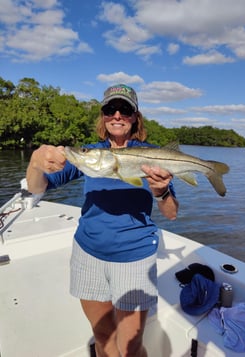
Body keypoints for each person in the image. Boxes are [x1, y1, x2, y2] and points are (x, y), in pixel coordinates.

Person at [26, 84, 179, 357]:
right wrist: (36, 164)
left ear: (135, 117)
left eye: (125, 109)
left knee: (130, 347)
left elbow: (171, 213)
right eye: (110, 109)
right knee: (102, 335)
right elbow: (38, 189)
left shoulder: (153, 155)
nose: (117, 115)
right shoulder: (89, 155)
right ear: (103, 116)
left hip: (134, 258)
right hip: (88, 253)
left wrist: (161, 190)